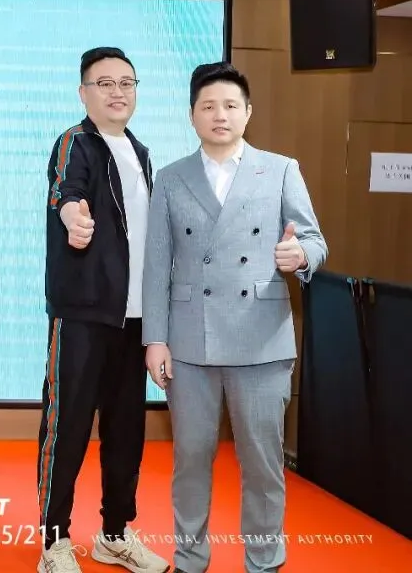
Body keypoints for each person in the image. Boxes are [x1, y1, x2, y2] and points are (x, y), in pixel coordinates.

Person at [141, 62, 327, 573]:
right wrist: (154, 339)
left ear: (247, 112)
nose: (219, 115)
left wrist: (301, 255)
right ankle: (190, 559)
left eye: (229, 105)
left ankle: (264, 561)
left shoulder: (281, 169)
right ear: (192, 115)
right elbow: (157, 265)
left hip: (261, 340)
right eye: (208, 106)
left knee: (263, 464)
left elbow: (314, 239)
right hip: (189, 343)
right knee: (190, 461)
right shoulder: (171, 178)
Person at [38, 46, 170, 573]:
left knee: (125, 433)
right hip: (83, 315)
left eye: (127, 83)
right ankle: (54, 541)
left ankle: (115, 534)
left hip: (133, 320)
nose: (118, 92)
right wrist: (72, 216)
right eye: (105, 83)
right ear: (84, 93)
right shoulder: (76, 142)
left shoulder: (141, 152)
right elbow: (65, 192)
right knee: (67, 427)